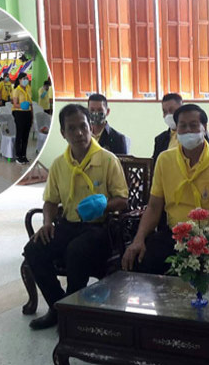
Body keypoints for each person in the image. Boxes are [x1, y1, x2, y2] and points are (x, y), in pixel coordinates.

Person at [23, 104, 129, 329]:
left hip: (98, 228)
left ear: (91, 127)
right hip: (68, 225)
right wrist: (47, 223)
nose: (79, 133)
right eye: (72, 128)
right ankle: (59, 308)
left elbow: (122, 199)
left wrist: (103, 207)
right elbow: (50, 201)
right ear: (63, 133)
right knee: (33, 250)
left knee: (76, 251)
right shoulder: (60, 164)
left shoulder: (108, 160)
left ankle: (74, 315)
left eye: (83, 126)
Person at [122, 104, 209, 274]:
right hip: (173, 234)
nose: (188, 130)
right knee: (144, 258)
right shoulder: (165, 160)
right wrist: (138, 238)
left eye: (193, 125)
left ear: (205, 128)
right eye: (183, 126)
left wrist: (201, 239)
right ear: (176, 130)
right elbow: (153, 207)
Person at [152, 93, 183, 162]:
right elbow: (155, 165)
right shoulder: (160, 139)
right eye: (165, 112)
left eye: (172, 110)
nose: (168, 115)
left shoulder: (193, 135)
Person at [11, 73, 33, 165]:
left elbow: (31, 104)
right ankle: (18, 156)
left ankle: (24, 155)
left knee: (26, 135)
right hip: (19, 113)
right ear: (19, 80)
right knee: (19, 134)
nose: (25, 80)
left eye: (26, 78)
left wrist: (32, 115)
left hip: (27, 113)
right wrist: (22, 105)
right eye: (24, 78)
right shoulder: (16, 90)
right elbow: (15, 104)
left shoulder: (28, 89)